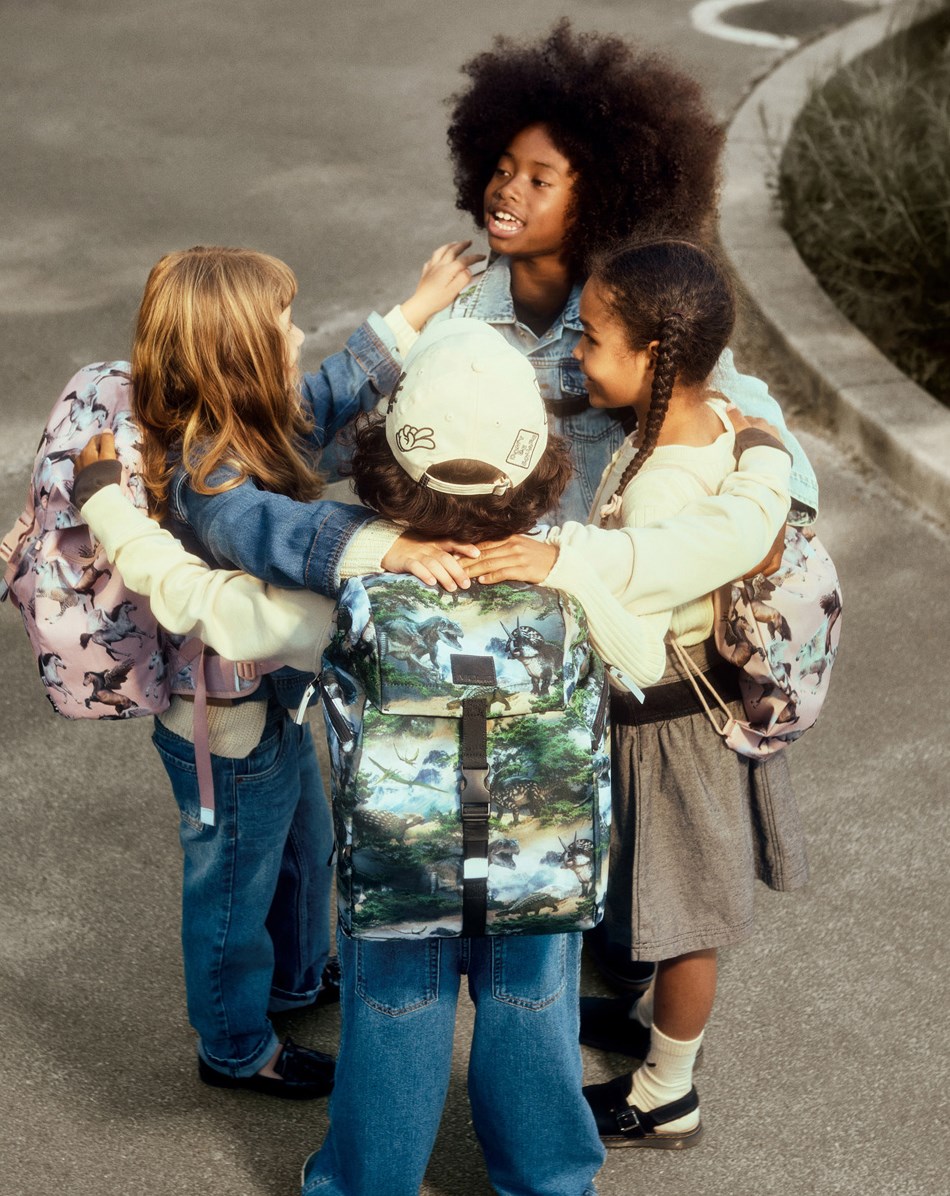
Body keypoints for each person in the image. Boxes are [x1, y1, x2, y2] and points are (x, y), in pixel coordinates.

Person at [73, 316, 793, 1193]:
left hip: (400, 868)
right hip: (540, 867)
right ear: (538, 465)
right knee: (533, 1015)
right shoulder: (572, 572)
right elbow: (683, 603)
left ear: (391, 464)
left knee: (394, 1015)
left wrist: (107, 497)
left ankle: (370, 1179)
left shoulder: (357, 598)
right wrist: (758, 446)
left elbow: (194, 595)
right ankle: (548, 1179)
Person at [106, 242, 481, 1099]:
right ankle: (235, 1044)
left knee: (306, 847)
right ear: (239, 364)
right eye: (284, 329)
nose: (299, 336)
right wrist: (392, 548)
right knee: (233, 888)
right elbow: (278, 531)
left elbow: (324, 394)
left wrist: (415, 309)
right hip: (221, 732)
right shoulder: (210, 477)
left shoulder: (238, 428)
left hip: (266, 702)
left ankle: (298, 982)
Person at [464, 239, 810, 1148]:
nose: (577, 354)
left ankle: (669, 1090)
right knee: (649, 895)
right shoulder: (709, 425)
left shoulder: (665, 485)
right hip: (661, 724)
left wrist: (563, 575)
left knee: (689, 917)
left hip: (673, 727)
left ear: (654, 356)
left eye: (591, 340)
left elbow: (640, 645)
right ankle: (641, 1030)